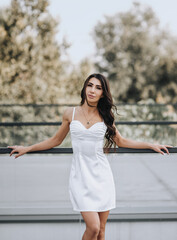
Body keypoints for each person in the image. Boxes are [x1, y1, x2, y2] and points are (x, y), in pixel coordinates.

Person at [8, 73, 172, 240]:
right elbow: (55, 140)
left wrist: (150, 145)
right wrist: (27, 148)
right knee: (93, 228)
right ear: (84, 87)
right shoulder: (70, 113)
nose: (92, 90)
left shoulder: (106, 115)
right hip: (80, 178)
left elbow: (121, 141)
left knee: (101, 231)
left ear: (103, 93)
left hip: (102, 177)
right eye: (90, 85)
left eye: (98, 87)